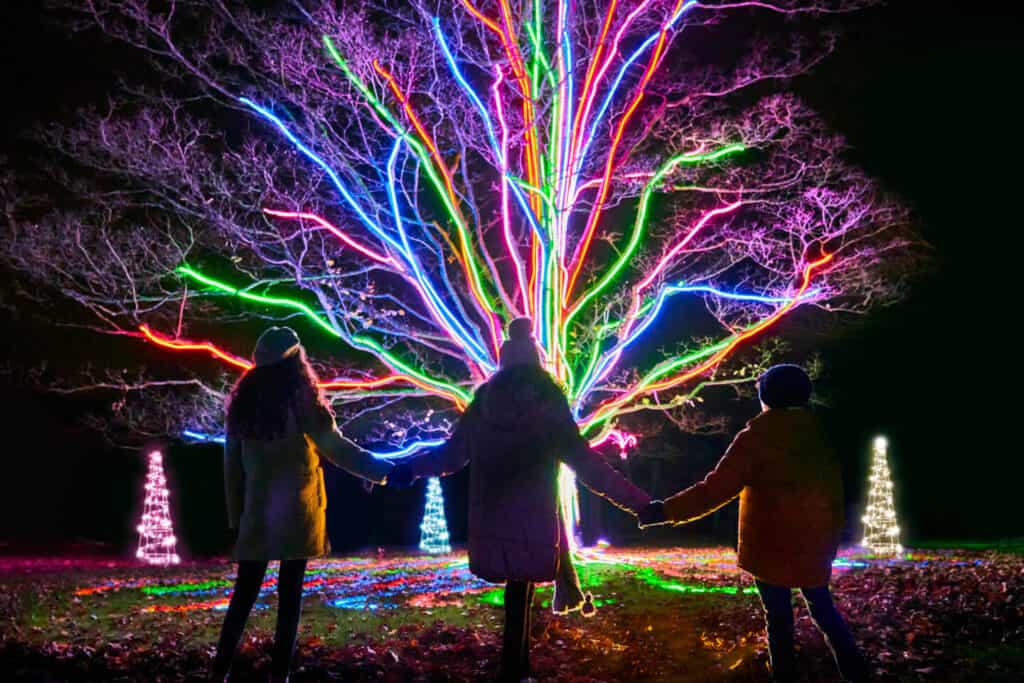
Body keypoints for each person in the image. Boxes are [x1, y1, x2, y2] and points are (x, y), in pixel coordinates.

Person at [389, 318, 650, 683]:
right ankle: (516, 667)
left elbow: (450, 457)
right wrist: (638, 502)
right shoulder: (549, 408)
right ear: (536, 365)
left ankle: (515, 664)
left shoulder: (482, 407)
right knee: (521, 589)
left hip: (491, 515)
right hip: (535, 517)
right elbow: (588, 464)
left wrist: (408, 468)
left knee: (516, 592)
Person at [639, 364, 868, 683]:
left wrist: (665, 511)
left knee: (778, 618)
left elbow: (715, 489)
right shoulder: (819, 433)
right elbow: (833, 492)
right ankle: (857, 672)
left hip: (770, 545)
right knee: (824, 611)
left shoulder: (757, 437)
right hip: (814, 542)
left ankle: (785, 676)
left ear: (765, 397)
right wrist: (829, 537)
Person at [212, 327, 393, 683]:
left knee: (244, 594)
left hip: (258, 513)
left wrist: (236, 517)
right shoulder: (302, 401)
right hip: (297, 511)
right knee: (290, 595)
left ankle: (220, 670)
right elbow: (337, 448)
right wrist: (384, 471)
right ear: (296, 360)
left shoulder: (244, 402)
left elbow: (231, 466)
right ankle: (280, 673)